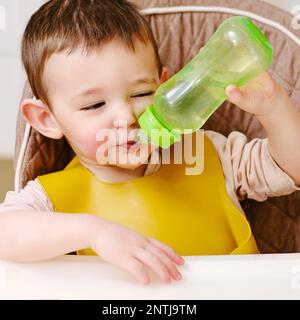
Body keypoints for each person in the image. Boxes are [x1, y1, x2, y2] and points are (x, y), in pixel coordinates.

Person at [0, 0, 300, 285]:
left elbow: (292, 166)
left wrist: (274, 107)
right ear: (46, 119)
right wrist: (92, 232)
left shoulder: (212, 157)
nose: (125, 117)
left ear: (166, 85)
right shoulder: (53, 197)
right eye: (94, 105)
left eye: (141, 94)